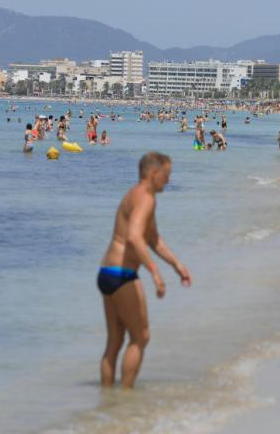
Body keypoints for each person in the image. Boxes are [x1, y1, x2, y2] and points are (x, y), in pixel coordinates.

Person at [97, 152, 192, 388]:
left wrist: (177, 265)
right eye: (166, 175)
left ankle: (107, 403)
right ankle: (125, 400)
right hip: (123, 275)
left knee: (115, 341)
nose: (168, 181)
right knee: (141, 337)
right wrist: (154, 271)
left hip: (107, 271)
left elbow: (153, 239)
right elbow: (134, 237)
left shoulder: (134, 195)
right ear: (153, 173)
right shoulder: (146, 198)